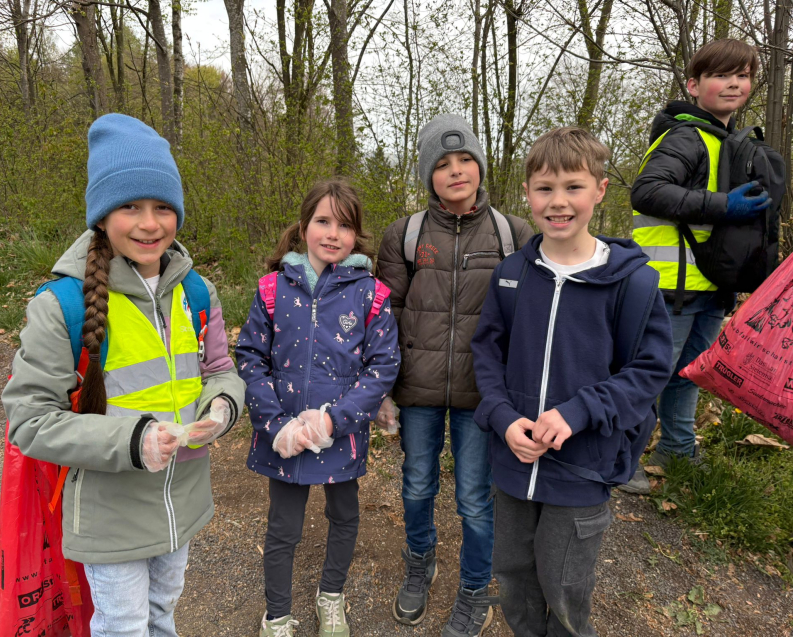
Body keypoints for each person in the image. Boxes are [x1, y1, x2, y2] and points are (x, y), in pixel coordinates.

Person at [2, 113, 246, 637]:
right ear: (101, 214)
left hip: (182, 503)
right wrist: (137, 441)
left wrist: (222, 407)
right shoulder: (61, 305)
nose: (150, 223)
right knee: (123, 626)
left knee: (162, 617)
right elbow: (30, 422)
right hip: (108, 515)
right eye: (130, 206)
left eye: (163, 207)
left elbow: (221, 371)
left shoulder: (196, 292)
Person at [470, 127, 673, 637]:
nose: (558, 202)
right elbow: (486, 353)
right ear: (527, 194)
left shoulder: (633, 281)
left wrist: (577, 412)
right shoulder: (512, 274)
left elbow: (649, 370)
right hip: (514, 463)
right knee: (513, 575)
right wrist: (503, 418)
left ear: (600, 190)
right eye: (545, 188)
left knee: (564, 586)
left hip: (582, 468)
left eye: (573, 187)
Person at [376, 113, 533, 637]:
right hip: (416, 389)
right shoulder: (405, 235)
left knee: (474, 498)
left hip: (482, 394)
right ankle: (420, 561)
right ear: (428, 175)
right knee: (417, 484)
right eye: (442, 164)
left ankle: (475, 587)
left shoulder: (514, 235)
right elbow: (386, 316)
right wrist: (383, 391)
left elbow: (526, 323)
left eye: (466, 159)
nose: (456, 170)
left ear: (481, 166)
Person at [236, 178, 399, 637]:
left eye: (344, 225)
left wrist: (333, 420)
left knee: (344, 517)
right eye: (323, 221)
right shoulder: (273, 289)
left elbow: (382, 366)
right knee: (283, 528)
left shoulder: (371, 293)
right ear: (303, 225)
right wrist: (276, 425)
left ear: (356, 235)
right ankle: (277, 615)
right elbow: (250, 357)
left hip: (341, 434)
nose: (332, 234)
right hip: (284, 437)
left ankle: (331, 595)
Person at [625, 39, 769, 494]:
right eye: (721, 75)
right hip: (670, 285)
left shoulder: (727, 141)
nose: (734, 84)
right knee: (649, 376)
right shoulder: (685, 136)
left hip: (710, 283)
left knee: (690, 373)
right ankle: (618, 457)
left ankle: (677, 449)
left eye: (742, 75)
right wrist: (724, 205)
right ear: (693, 85)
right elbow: (647, 191)